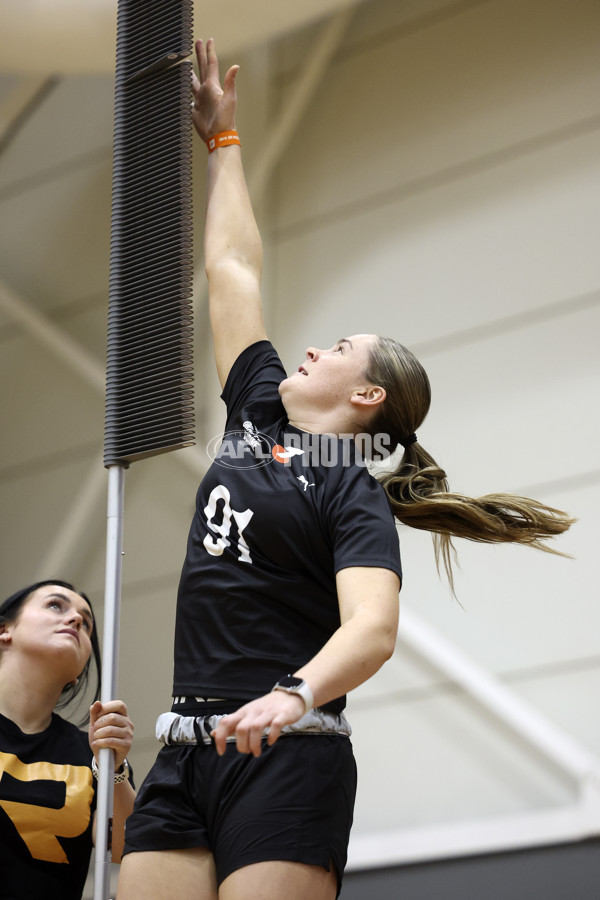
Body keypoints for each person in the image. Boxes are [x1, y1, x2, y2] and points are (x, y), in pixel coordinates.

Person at [117, 38, 574, 900]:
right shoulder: (256, 407)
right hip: (184, 754)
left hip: (291, 755)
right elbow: (232, 267)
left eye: (338, 348)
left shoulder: (350, 489)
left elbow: (371, 631)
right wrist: (223, 145)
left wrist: (293, 696)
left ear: (366, 394)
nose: (314, 345)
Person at [0, 579, 135, 900]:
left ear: (80, 669)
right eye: (55, 605)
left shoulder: (93, 755)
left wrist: (115, 768)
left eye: (87, 623)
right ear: (4, 631)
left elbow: (125, 850)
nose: (76, 619)